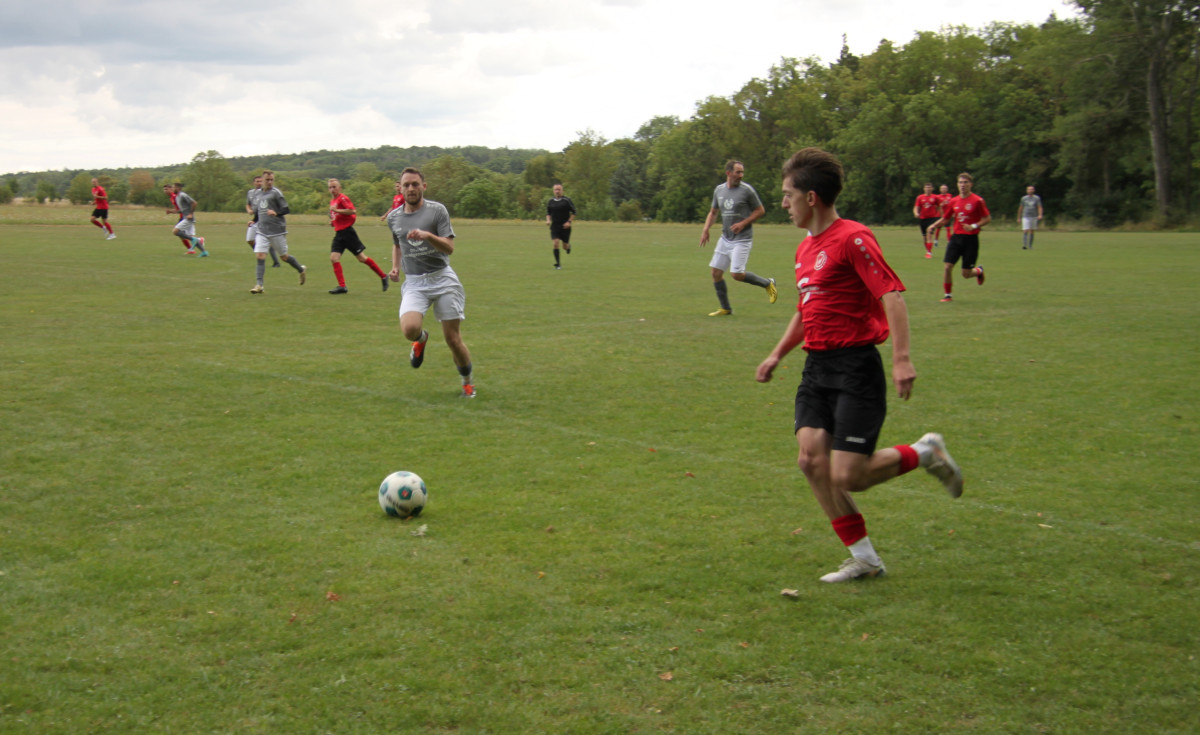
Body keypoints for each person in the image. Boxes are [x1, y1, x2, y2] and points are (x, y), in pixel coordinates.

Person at [755, 147, 963, 584]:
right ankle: (865, 559)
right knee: (811, 462)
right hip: (817, 368)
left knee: (849, 475)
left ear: (810, 198)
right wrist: (777, 353)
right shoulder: (804, 249)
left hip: (855, 367)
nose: (783, 203)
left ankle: (926, 452)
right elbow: (806, 307)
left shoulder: (853, 238)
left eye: (787, 195)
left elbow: (892, 296)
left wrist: (902, 360)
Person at [386, 167, 475, 398]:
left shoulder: (437, 211)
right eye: (406, 185)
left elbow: (450, 247)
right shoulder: (394, 217)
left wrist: (428, 236)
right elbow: (398, 244)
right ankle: (420, 339)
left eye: (415, 184)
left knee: (453, 340)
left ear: (423, 186)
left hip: (442, 278)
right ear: (400, 188)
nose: (411, 189)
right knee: (409, 329)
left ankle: (467, 382)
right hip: (415, 282)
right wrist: (395, 267)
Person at [699, 160, 776, 315]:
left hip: (742, 238)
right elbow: (713, 212)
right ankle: (725, 308)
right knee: (716, 273)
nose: (741, 175)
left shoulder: (747, 190)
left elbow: (760, 210)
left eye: (742, 172)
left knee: (737, 274)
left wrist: (743, 223)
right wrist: (706, 229)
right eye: (737, 172)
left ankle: (768, 283)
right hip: (726, 238)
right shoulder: (719, 190)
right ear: (728, 173)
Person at [928, 173, 989, 302]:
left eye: (965, 182)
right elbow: (945, 219)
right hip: (956, 238)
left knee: (966, 274)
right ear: (957, 184)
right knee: (947, 266)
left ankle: (978, 271)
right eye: (960, 182)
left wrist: (973, 226)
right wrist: (933, 226)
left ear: (970, 185)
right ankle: (947, 295)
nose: (962, 185)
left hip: (971, 240)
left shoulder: (977, 200)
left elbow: (987, 218)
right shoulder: (953, 201)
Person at [326, 178, 389, 294]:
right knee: (334, 258)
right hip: (339, 233)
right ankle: (342, 286)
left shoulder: (343, 198)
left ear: (339, 188)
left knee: (362, 258)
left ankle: (383, 276)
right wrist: (333, 222)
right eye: (330, 187)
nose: (332, 189)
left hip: (348, 233)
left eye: (334, 187)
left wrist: (337, 210)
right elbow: (337, 216)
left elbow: (352, 211)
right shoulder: (332, 201)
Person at [250, 170, 306, 293]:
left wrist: (276, 213)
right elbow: (260, 211)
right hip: (262, 230)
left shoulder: (276, 193)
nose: (269, 182)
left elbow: (286, 209)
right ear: (262, 180)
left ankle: (301, 269)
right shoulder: (258, 194)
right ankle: (259, 285)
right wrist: (254, 221)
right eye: (267, 180)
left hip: (277, 231)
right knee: (260, 255)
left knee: (284, 257)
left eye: (271, 180)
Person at [245, 175, 280, 267]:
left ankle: (275, 262)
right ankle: (261, 253)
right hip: (256, 219)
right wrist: (250, 212)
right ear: (254, 182)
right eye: (257, 181)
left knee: (267, 240)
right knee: (250, 240)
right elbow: (248, 204)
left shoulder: (267, 193)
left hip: (266, 220)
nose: (259, 183)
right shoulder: (251, 193)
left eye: (261, 181)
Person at [171, 183, 208, 257]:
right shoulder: (177, 197)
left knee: (175, 231)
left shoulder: (182, 195)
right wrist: (172, 212)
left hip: (188, 219)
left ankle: (196, 239)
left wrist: (191, 214)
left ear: (178, 188)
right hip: (186, 218)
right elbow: (182, 210)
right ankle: (204, 252)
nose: (172, 189)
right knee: (187, 236)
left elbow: (194, 203)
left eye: (173, 187)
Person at [546, 183, 576, 269]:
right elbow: (548, 212)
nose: (557, 191)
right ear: (553, 191)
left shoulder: (567, 200)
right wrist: (548, 220)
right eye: (556, 189)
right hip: (555, 226)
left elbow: (574, 212)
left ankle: (568, 246)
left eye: (559, 189)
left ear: (562, 190)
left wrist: (569, 222)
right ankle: (558, 264)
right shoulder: (550, 201)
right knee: (555, 243)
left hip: (565, 227)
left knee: (564, 246)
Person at [912, 183, 941, 258]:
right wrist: (916, 213)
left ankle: (929, 252)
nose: (928, 189)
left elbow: (939, 207)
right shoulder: (920, 197)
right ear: (924, 189)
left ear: (932, 188)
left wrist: (942, 216)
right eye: (926, 187)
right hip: (923, 219)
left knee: (929, 233)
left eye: (929, 187)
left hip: (932, 219)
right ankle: (927, 250)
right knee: (924, 237)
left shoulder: (935, 197)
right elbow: (916, 207)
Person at [1019, 185, 1044, 250]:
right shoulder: (1024, 198)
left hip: (1034, 216)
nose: (1030, 190)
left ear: (1034, 190)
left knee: (1032, 231)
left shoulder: (1036, 198)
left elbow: (1039, 207)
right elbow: (1021, 208)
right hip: (1025, 216)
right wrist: (1019, 217)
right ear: (1027, 190)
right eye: (1029, 189)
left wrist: (1040, 214)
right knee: (1025, 230)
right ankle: (1024, 245)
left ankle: (1030, 245)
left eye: (1032, 189)